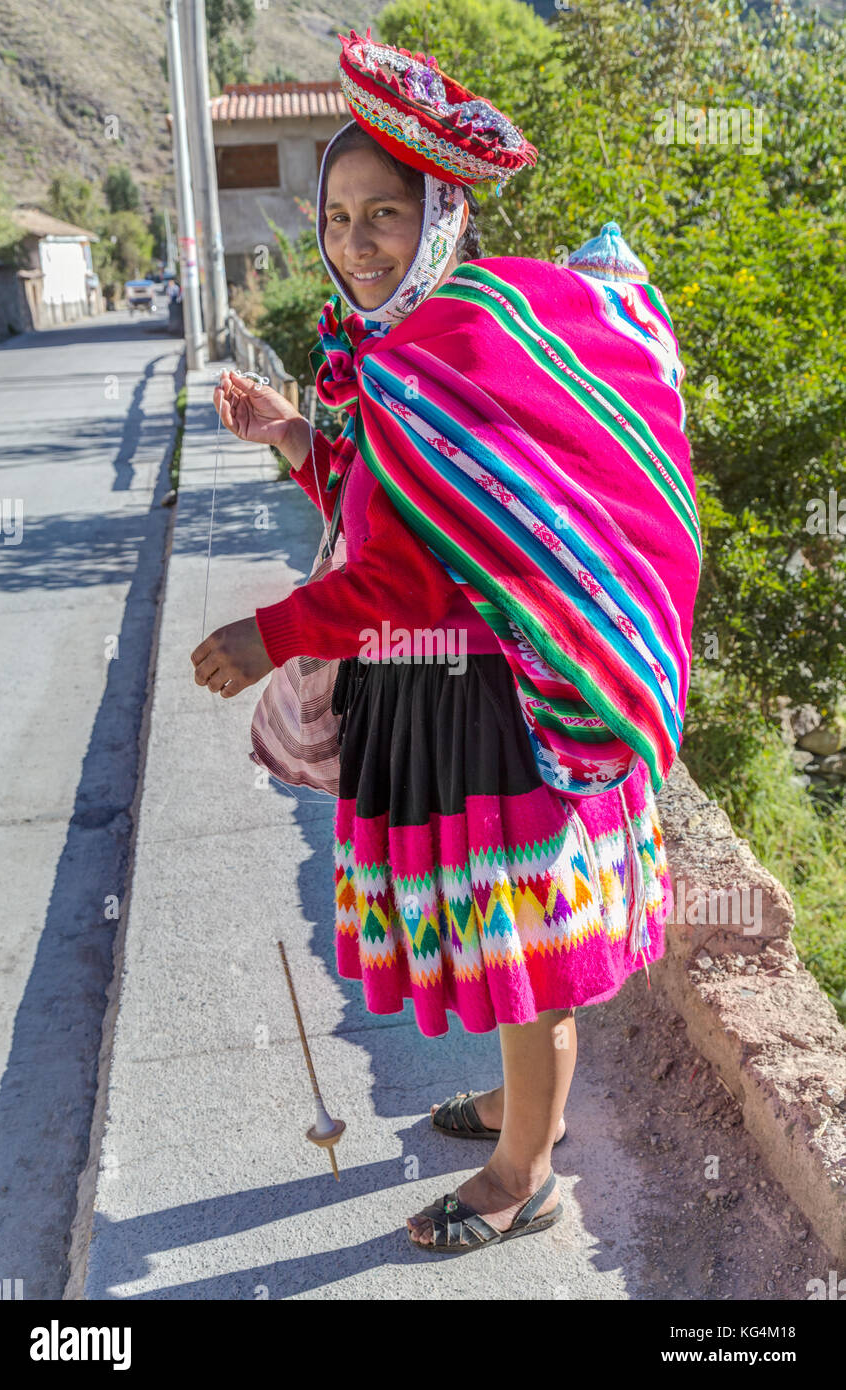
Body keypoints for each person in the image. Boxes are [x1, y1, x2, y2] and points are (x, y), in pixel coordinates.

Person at [191, 28, 701, 1254]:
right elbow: (390, 499)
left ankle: (525, 1171)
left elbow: (410, 570)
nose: (355, 239)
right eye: (337, 215)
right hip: (432, 698)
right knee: (493, 935)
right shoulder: (393, 348)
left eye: (383, 215)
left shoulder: (451, 340)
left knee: (521, 944)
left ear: (439, 218)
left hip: (491, 708)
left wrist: (268, 636)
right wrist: (293, 439)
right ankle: (520, 1104)